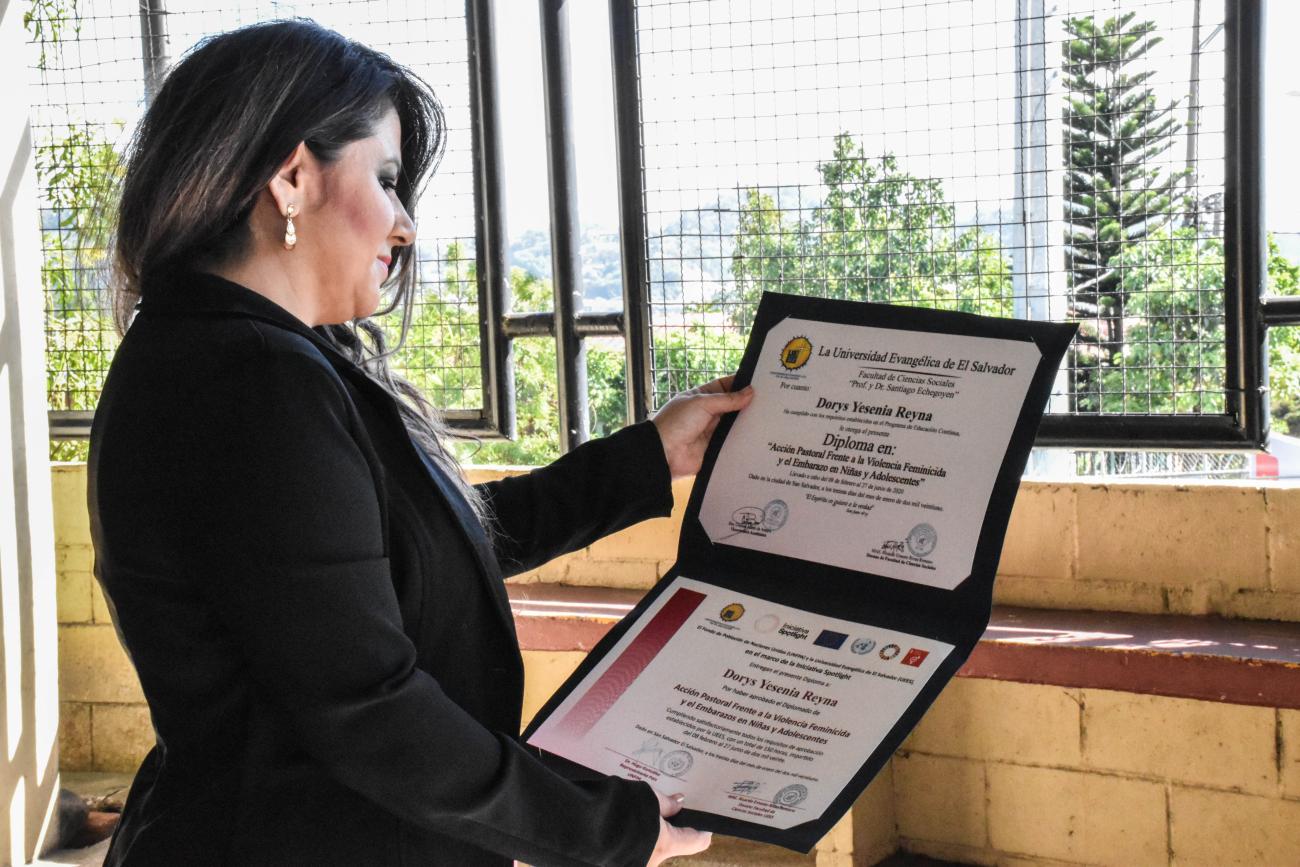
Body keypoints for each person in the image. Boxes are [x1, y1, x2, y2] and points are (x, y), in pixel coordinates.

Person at [88, 18, 752, 866]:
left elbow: (413, 553)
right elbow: (370, 710)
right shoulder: (252, 382)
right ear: (292, 177)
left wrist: (650, 455)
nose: (403, 225)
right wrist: (604, 823)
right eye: (389, 179)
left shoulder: (231, 355)